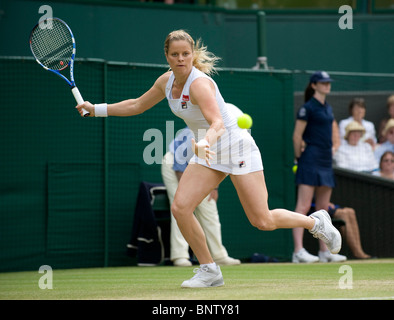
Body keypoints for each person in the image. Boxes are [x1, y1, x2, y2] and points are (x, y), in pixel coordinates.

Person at [76, 30, 341, 288]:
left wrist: (204, 141)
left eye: (186, 54)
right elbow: (137, 105)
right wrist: (96, 109)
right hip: (208, 153)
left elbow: (217, 123)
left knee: (262, 220)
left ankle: (315, 222)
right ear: (166, 56)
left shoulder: (199, 84)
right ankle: (209, 270)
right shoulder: (165, 82)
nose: (181, 59)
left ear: (192, 55)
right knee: (180, 207)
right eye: (175, 54)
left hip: (235, 148)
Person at [161, 124, 241, 267]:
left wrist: (214, 187)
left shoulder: (227, 137)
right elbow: (180, 159)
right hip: (175, 166)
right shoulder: (196, 132)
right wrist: (186, 190)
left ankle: (219, 255)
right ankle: (180, 256)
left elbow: (217, 165)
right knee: (181, 208)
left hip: (198, 168)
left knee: (209, 207)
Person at [292, 71, 344, 263]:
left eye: (328, 82)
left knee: (323, 208)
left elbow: (332, 135)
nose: (327, 85)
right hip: (310, 159)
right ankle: (298, 251)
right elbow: (297, 136)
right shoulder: (307, 108)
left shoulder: (328, 108)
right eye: (323, 83)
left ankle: (325, 251)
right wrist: (300, 157)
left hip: (325, 160)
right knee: (303, 206)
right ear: (314, 85)